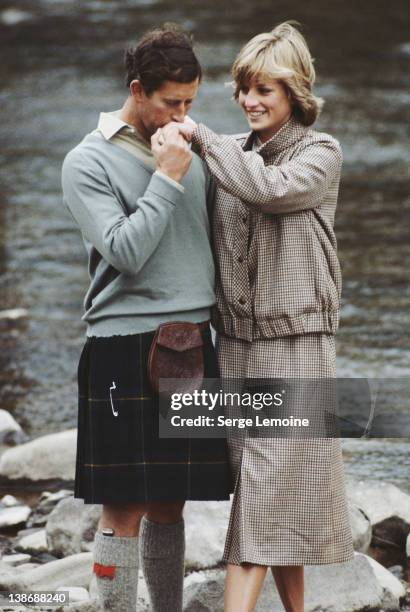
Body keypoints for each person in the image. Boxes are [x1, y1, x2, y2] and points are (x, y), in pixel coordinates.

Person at [163, 21, 355, 612]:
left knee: (258, 508)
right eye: (244, 88)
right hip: (238, 349)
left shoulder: (319, 154)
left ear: (295, 93)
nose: (249, 100)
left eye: (264, 90)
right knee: (272, 496)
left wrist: (200, 138)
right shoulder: (231, 155)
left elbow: (268, 191)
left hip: (298, 348)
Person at [61, 24, 232, 612]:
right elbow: (125, 250)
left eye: (191, 102)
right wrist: (166, 178)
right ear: (138, 89)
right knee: (123, 504)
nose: (183, 115)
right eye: (171, 103)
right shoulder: (86, 162)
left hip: (190, 340)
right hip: (122, 344)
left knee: (170, 501)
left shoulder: (189, 145)